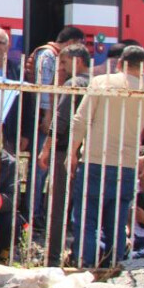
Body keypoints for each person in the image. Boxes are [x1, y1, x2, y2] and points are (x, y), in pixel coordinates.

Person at [68, 45, 144, 267]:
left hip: (95, 162)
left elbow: (80, 121)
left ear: (119, 63)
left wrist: (72, 153)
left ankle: (85, 265)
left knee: (87, 219)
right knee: (116, 222)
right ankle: (113, 266)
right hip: (126, 167)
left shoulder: (101, 83)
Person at [35, 43, 91, 266]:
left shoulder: (73, 84)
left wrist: (46, 147)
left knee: (57, 205)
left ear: (77, 61)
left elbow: (61, 120)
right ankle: (82, 255)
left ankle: (52, 257)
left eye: (65, 62)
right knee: (85, 206)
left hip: (65, 152)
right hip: (87, 153)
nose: (62, 67)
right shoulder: (96, 83)